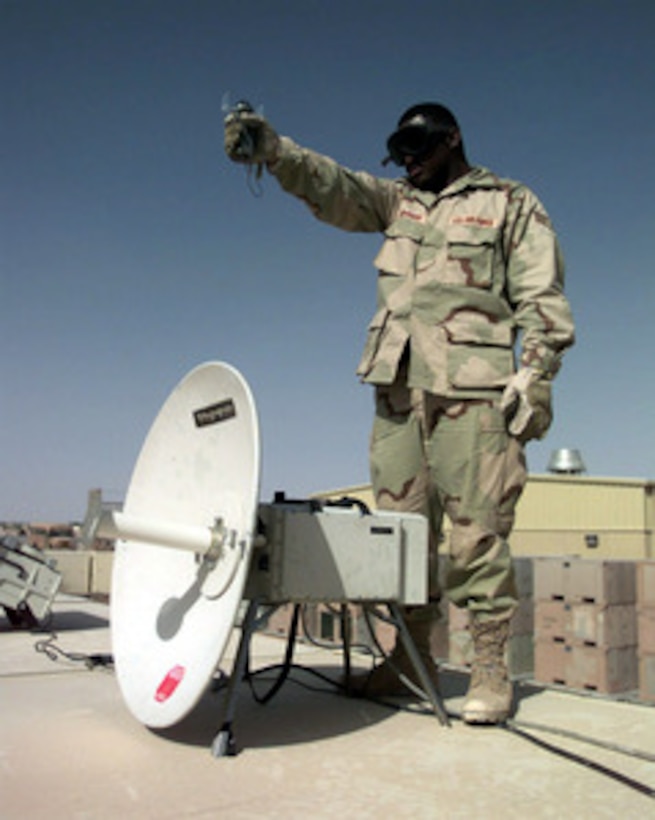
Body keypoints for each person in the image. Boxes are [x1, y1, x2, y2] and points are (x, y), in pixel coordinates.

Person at [224, 102, 575, 724]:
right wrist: (275, 151)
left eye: (417, 147)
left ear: (452, 138)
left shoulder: (509, 201)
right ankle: (412, 659)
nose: (407, 161)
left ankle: (491, 669)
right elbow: (334, 185)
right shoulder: (397, 204)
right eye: (400, 153)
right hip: (398, 393)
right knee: (401, 535)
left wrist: (537, 371)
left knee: (478, 531)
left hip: (473, 393)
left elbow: (540, 292)